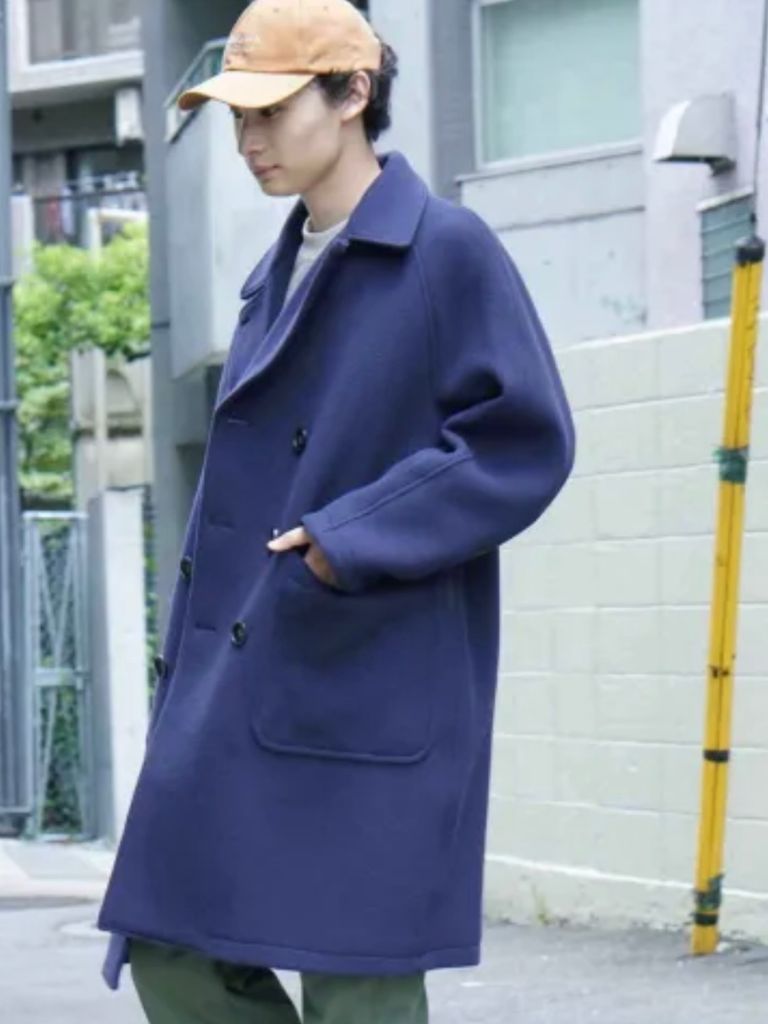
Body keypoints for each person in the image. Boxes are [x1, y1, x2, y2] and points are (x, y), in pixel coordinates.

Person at [96, 1, 576, 1021]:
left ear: (354, 93)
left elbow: (522, 438)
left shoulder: (445, 249)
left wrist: (346, 538)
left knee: (357, 984)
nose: (250, 139)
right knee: (167, 942)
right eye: (238, 117)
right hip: (248, 673)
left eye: (272, 111)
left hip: (369, 673)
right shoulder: (273, 275)